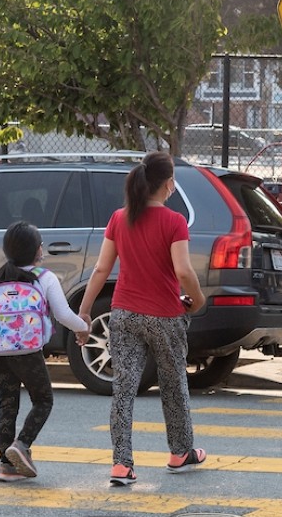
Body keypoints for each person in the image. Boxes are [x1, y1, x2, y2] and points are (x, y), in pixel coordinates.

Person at [77, 151, 207, 487]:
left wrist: (85, 310)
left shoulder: (119, 218)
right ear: (167, 184)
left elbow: (101, 268)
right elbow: (183, 270)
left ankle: (121, 464)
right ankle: (180, 452)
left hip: (123, 314)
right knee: (173, 383)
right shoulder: (174, 221)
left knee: (123, 388)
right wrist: (199, 299)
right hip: (164, 315)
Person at [0, 222, 89, 483]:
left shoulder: (0, 277)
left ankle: (5, 466)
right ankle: (22, 445)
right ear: (36, 250)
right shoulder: (45, 277)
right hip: (28, 352)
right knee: (43, 401)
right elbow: (63, 315)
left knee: (7, 405)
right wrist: (83, 328)